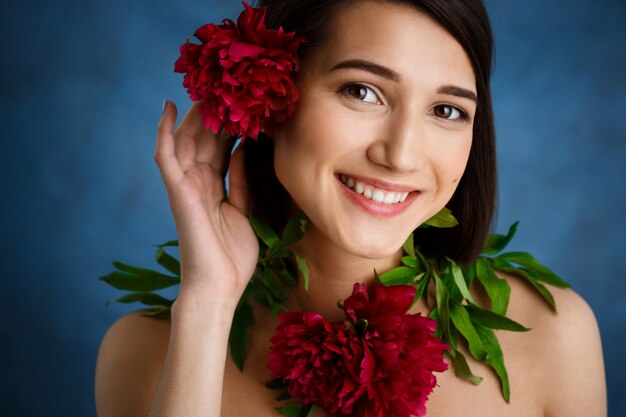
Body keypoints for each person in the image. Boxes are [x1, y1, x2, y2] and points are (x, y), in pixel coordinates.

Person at [94, 1, 607, 416]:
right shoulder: (143, 355)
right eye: (362, 92)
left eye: (446, 110)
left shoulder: (555, 337)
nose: (400, 154)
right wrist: (206, 306)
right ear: (271, 99)